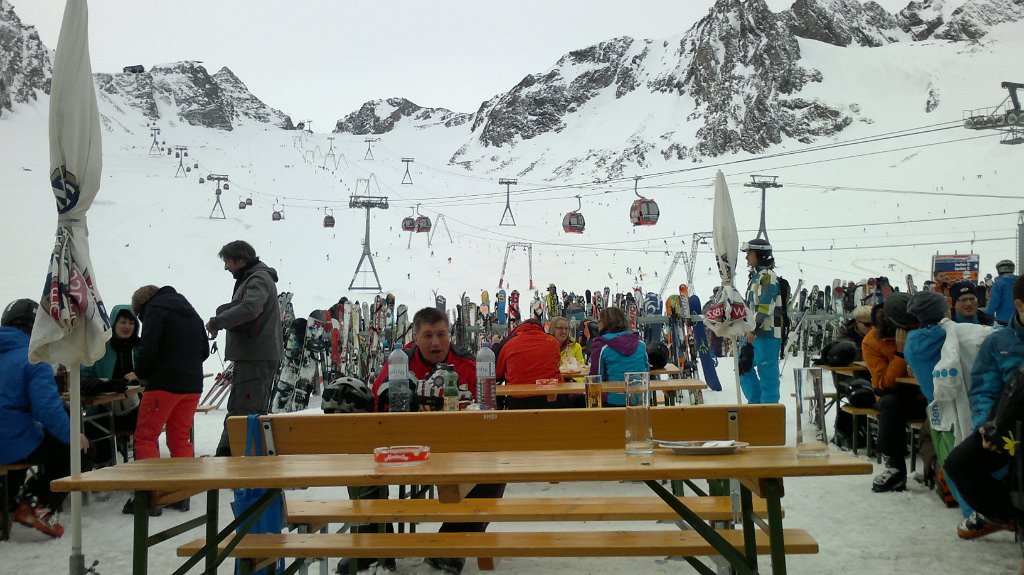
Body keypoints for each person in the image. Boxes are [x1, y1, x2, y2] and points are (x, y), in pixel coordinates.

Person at [365, 307, 498, 575]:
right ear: (415, 338)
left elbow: (486, 415)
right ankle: (376, 544)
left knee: (495, 468)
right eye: (428, 335)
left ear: (450, 336)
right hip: (405, 448)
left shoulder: (468, 364)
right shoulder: (399, 363)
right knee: (361, 456)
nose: (435, 342)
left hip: (455, 448)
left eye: (441, 334)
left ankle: (451, 546)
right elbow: (376, 408)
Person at [0, 298, 89, 538]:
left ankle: (6, 506)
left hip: (11, 440)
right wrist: (73, 436)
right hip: (10, 442)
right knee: (72, 452)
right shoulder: (32, 359)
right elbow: (46, 409)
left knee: (26, 439)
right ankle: (37, 505)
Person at [944, 275, 1024, 539]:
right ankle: (1002, 515)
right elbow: (983, 390)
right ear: (1020, 306)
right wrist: (985, 427)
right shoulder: (998, 342)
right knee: (959, 464)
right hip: (1007, 426)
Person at [904, 290, 992, 515]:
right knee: (969, 461)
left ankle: (969, 512)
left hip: (937, 411)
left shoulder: (911, 344)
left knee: (949, 459)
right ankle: (980, 512)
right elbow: (990, 337)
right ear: (944, 311)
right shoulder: (956, 334)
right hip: (966, 405)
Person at [123, 285, 209, 514]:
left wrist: (141, 372)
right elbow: (204, 351)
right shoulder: (190, 311)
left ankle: (152, 496)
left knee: (146, 437)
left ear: (141, 306)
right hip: (192, 385)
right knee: (180, 437)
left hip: (163, 385)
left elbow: (148, 348)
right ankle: (180, 494)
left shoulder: (155, 310)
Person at [205, 240, 283, 456]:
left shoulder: (257, 278)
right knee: (245, 409)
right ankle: (236, 456)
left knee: (244, 411)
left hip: (255, 356)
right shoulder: (252, 278)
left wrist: (218, 321)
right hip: (254, 356)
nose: (226, 267)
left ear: (240, 260)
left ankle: (233, 458)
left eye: (228, 261)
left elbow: (251, 308)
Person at [863, 293, 925, 493]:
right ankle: (895, 467)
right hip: (898, 395)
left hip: (926, 391)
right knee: (889, 404)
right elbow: (883, 383)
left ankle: (940, 467)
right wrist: (900, 353)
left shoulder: (923, 329)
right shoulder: (872, 341)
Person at [81, 305, 141, 469]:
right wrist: (107, 385)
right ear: (113, 323)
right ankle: (103, 470)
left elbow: (154, 373)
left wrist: (140, 376)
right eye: (123, 322)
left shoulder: (140, 348)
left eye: (131, 323)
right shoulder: (100, 348)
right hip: (103, 409)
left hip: (136, 409)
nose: (127, 326)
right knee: (90, 427)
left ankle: (143, 468)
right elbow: (84, 376)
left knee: (146, 427)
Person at [739, 238, 782, 404]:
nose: (746, 257)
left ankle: (769, 409)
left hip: (767, 334)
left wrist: (753, 329)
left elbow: (765, 306)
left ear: (760, 255)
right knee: (744, 367)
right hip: (753, 333)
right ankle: (756, 404)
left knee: (767, 373)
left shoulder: (768, 277)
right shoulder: (756, 277)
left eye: (749, 253)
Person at [496, 318, 561, 410]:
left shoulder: (509, 343)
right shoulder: (553, 341)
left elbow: (498, 373)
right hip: (549, 398)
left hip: (518, 400)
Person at [589, 307, 647, 406]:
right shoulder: (640, 343)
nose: (598, 325)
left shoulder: (601, 345)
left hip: (612, 400)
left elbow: (595, 377)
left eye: (599, 321)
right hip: (639, 399)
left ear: (605, 323)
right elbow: (646, 369)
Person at [987, 259, 1018, 326]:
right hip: (1020, 319)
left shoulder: (998, 283)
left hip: (1004, 319)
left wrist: (988, 314)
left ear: (999, 270)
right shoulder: (1020, 282)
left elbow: (994, 301)